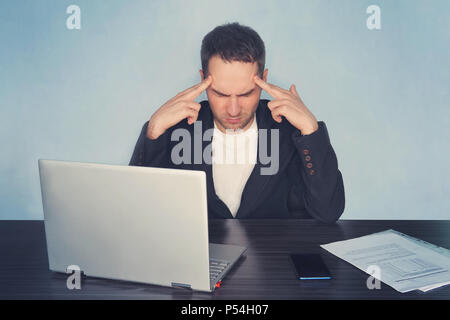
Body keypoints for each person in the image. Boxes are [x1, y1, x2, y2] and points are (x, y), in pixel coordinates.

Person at [130, 22, 345, 222]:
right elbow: (136, 211)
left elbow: (327, 212)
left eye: (246, 94)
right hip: (197, 259)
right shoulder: (178, 129)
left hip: (272, 258)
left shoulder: (289, 130)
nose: (233, 110)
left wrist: (311, 130)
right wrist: (153, 132)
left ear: (264, 80)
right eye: (221, 94)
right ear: (203, 79)